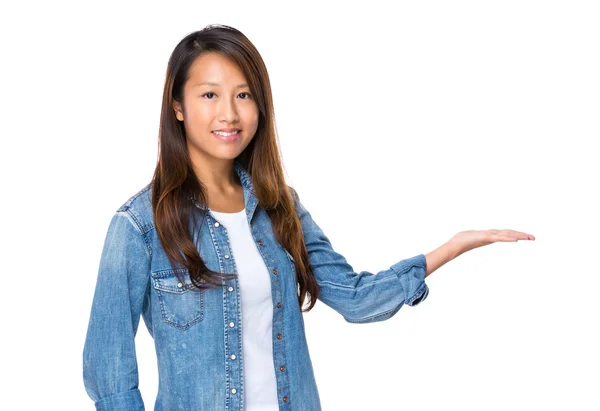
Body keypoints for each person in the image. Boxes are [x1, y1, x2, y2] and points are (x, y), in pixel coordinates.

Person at [82, 24, 535, 411]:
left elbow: (356, 299)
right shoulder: (139, 226)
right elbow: (110, 373)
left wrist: (452, 246)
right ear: (178, 107)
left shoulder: (280, 206)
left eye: (243, 94)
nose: (229, 113)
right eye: (209, 95)